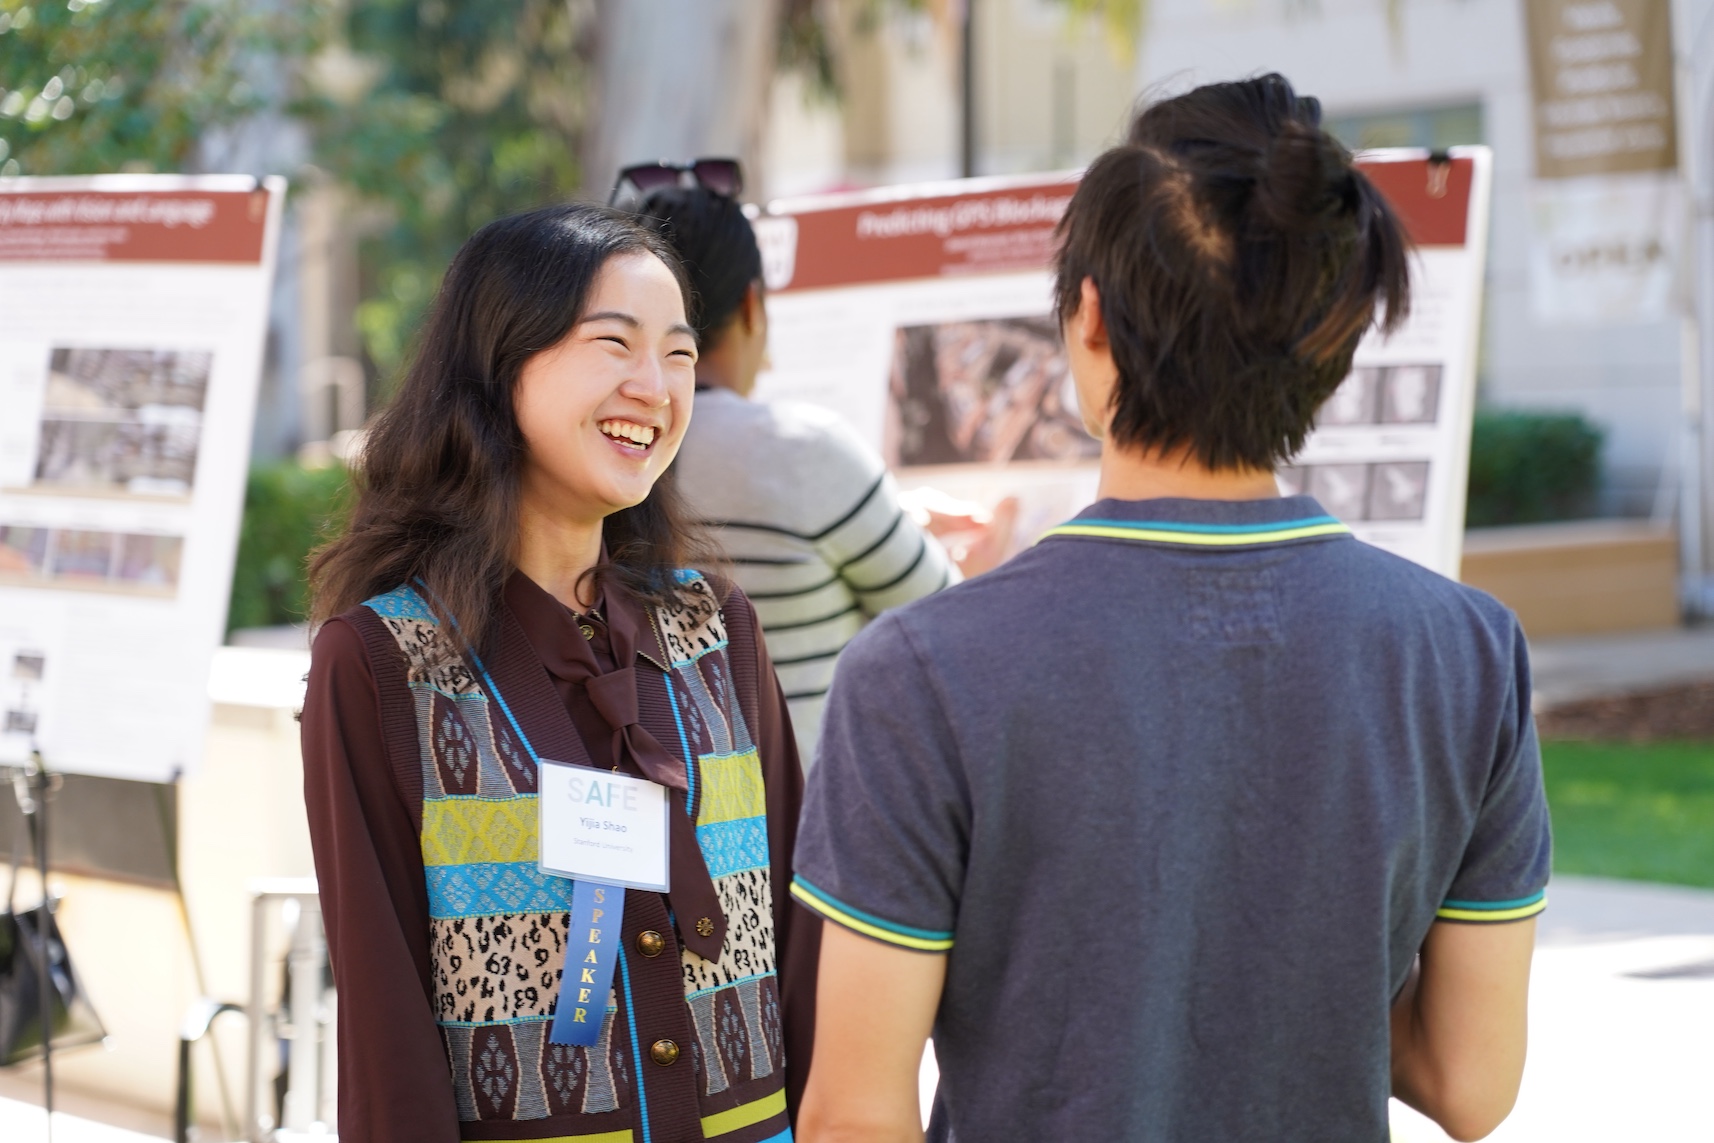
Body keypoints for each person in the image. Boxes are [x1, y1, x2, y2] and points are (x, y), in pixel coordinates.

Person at [791, 74, 1549, 1143]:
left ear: (1087, 316)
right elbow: (1471, 1085)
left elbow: (853, 1121)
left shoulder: (920, 670)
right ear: (1331, 345)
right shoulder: (1468, 653)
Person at [301, 203, 817, 1143]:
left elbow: (805, 941)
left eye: (679, 354)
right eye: (612, 343)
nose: (653, 387)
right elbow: (385, 1033)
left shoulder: (718, 629)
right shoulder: (382, 662)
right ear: (503, 364)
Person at [631, 178, 1013, 768]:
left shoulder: (613, 449)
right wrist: (979, 566)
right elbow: (942, 622)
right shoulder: (803, 450)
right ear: (753, 305)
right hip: (800, 820)